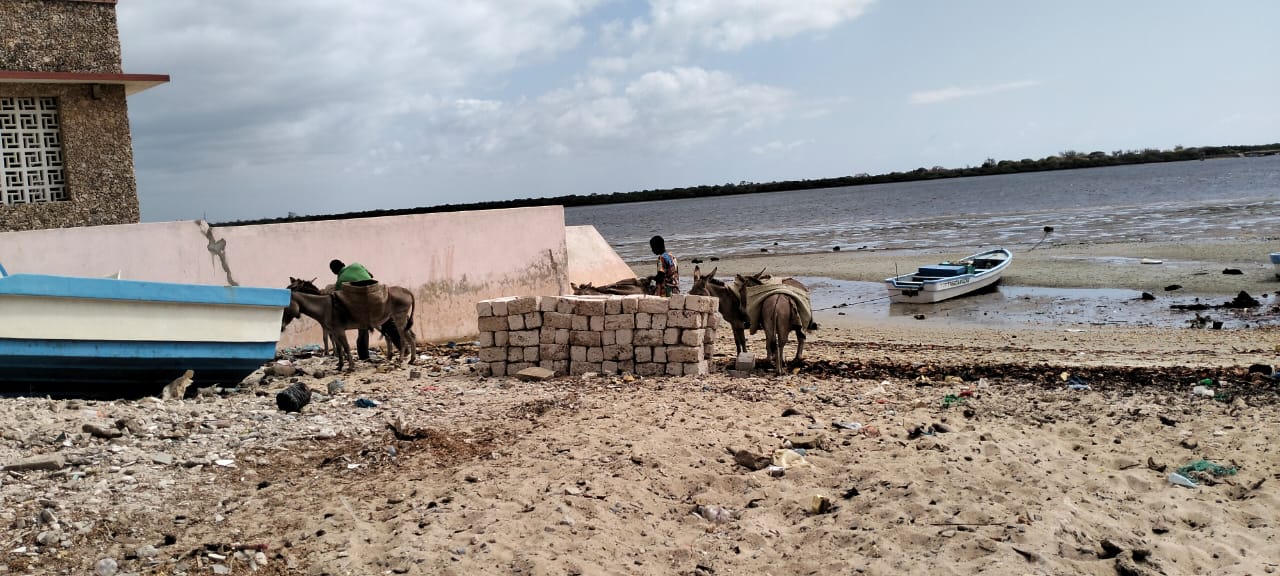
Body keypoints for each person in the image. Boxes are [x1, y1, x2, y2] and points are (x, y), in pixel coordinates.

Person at [329, 259, 375, 360]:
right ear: (343, 264)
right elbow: (371, 276)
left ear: (334, 272)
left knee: (361, 329)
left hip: (359, 308)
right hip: (374, 299)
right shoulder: (357, 265)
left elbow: (339, 298)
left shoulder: (340, 281)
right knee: (364, 330)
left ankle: (362, 355)